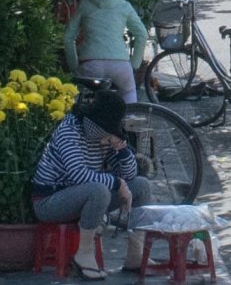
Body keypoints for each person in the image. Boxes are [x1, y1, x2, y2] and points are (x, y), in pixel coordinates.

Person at [31, 90, 152, 280]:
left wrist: (121, 148)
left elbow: (129, 174)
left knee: (141, 185)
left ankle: (136, 255)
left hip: (82, 196)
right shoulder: (69, 132)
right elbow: (79, 175)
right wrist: (117, 183)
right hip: (50, 200)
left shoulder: (104, 137)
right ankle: (84, 253)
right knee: (99, 190)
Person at [63, 0, 147, 104]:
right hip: (120, 64)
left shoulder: (84, 5)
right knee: (129, 92)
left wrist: (74, 66)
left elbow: (68, 38)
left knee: (80, 100)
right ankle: (129, 119)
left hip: (90, 64)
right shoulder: (124, 6)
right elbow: (142, 35)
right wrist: (134, 65)